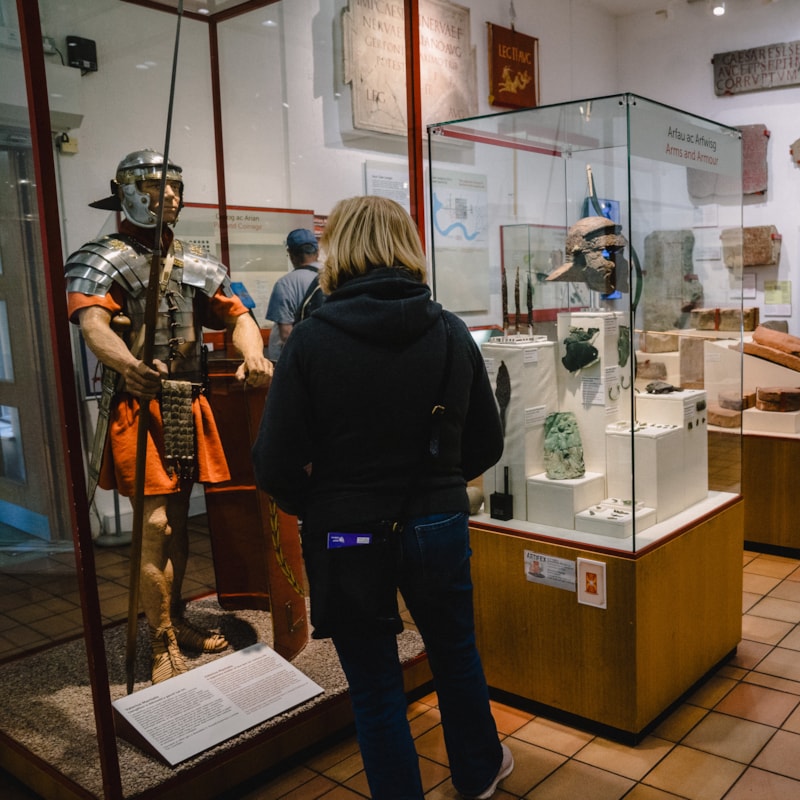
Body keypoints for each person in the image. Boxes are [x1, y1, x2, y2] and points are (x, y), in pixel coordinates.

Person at [251, 195, 511, 800]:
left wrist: (320, 505)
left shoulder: (312, 341)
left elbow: (274, 462)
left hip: (347, 533)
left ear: (336, 247)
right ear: (408, 244)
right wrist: (439, 480)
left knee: (372, 684)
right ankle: (477, 772)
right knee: (455, 655)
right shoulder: (447, 329)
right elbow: (486, 442)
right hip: (438, 520)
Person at [65, 149, 273, 683]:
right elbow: (92, 325)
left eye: (175, 188)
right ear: (126, 191)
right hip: (138, 405)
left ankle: (174, 616)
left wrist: (251, 353)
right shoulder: (102, 257)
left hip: (186, 400)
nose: (170, 198)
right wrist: (128, 364)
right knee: (154, 524)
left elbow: (239, 314)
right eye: (156, 189)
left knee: (178, 521)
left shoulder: (196, 262)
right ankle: (158, 643)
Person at [265, 228, 323, 360]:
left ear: (291, 254)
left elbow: (286, 335)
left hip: (296, 363)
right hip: (325, 359)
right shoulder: (334, 279)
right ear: (317, 252)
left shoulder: (285, 284)